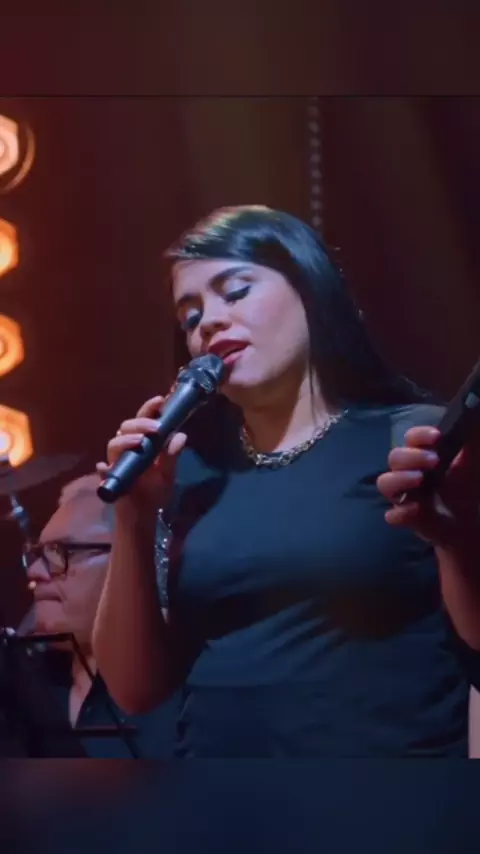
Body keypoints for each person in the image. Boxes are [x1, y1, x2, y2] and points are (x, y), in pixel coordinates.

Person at [93, 205, 480, 758]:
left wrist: (458, 539)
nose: (209, 322)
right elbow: (135, 691)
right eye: (191, 316)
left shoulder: (413, 440)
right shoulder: (190, 474)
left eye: (236, 291)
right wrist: (132, 519)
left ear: (310, 291)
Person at [9, 473, 179, 758]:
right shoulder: (25, 684)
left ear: (130, 558)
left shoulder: (185, 695)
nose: (34, 572)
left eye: (60, 552)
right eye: (38, 554)